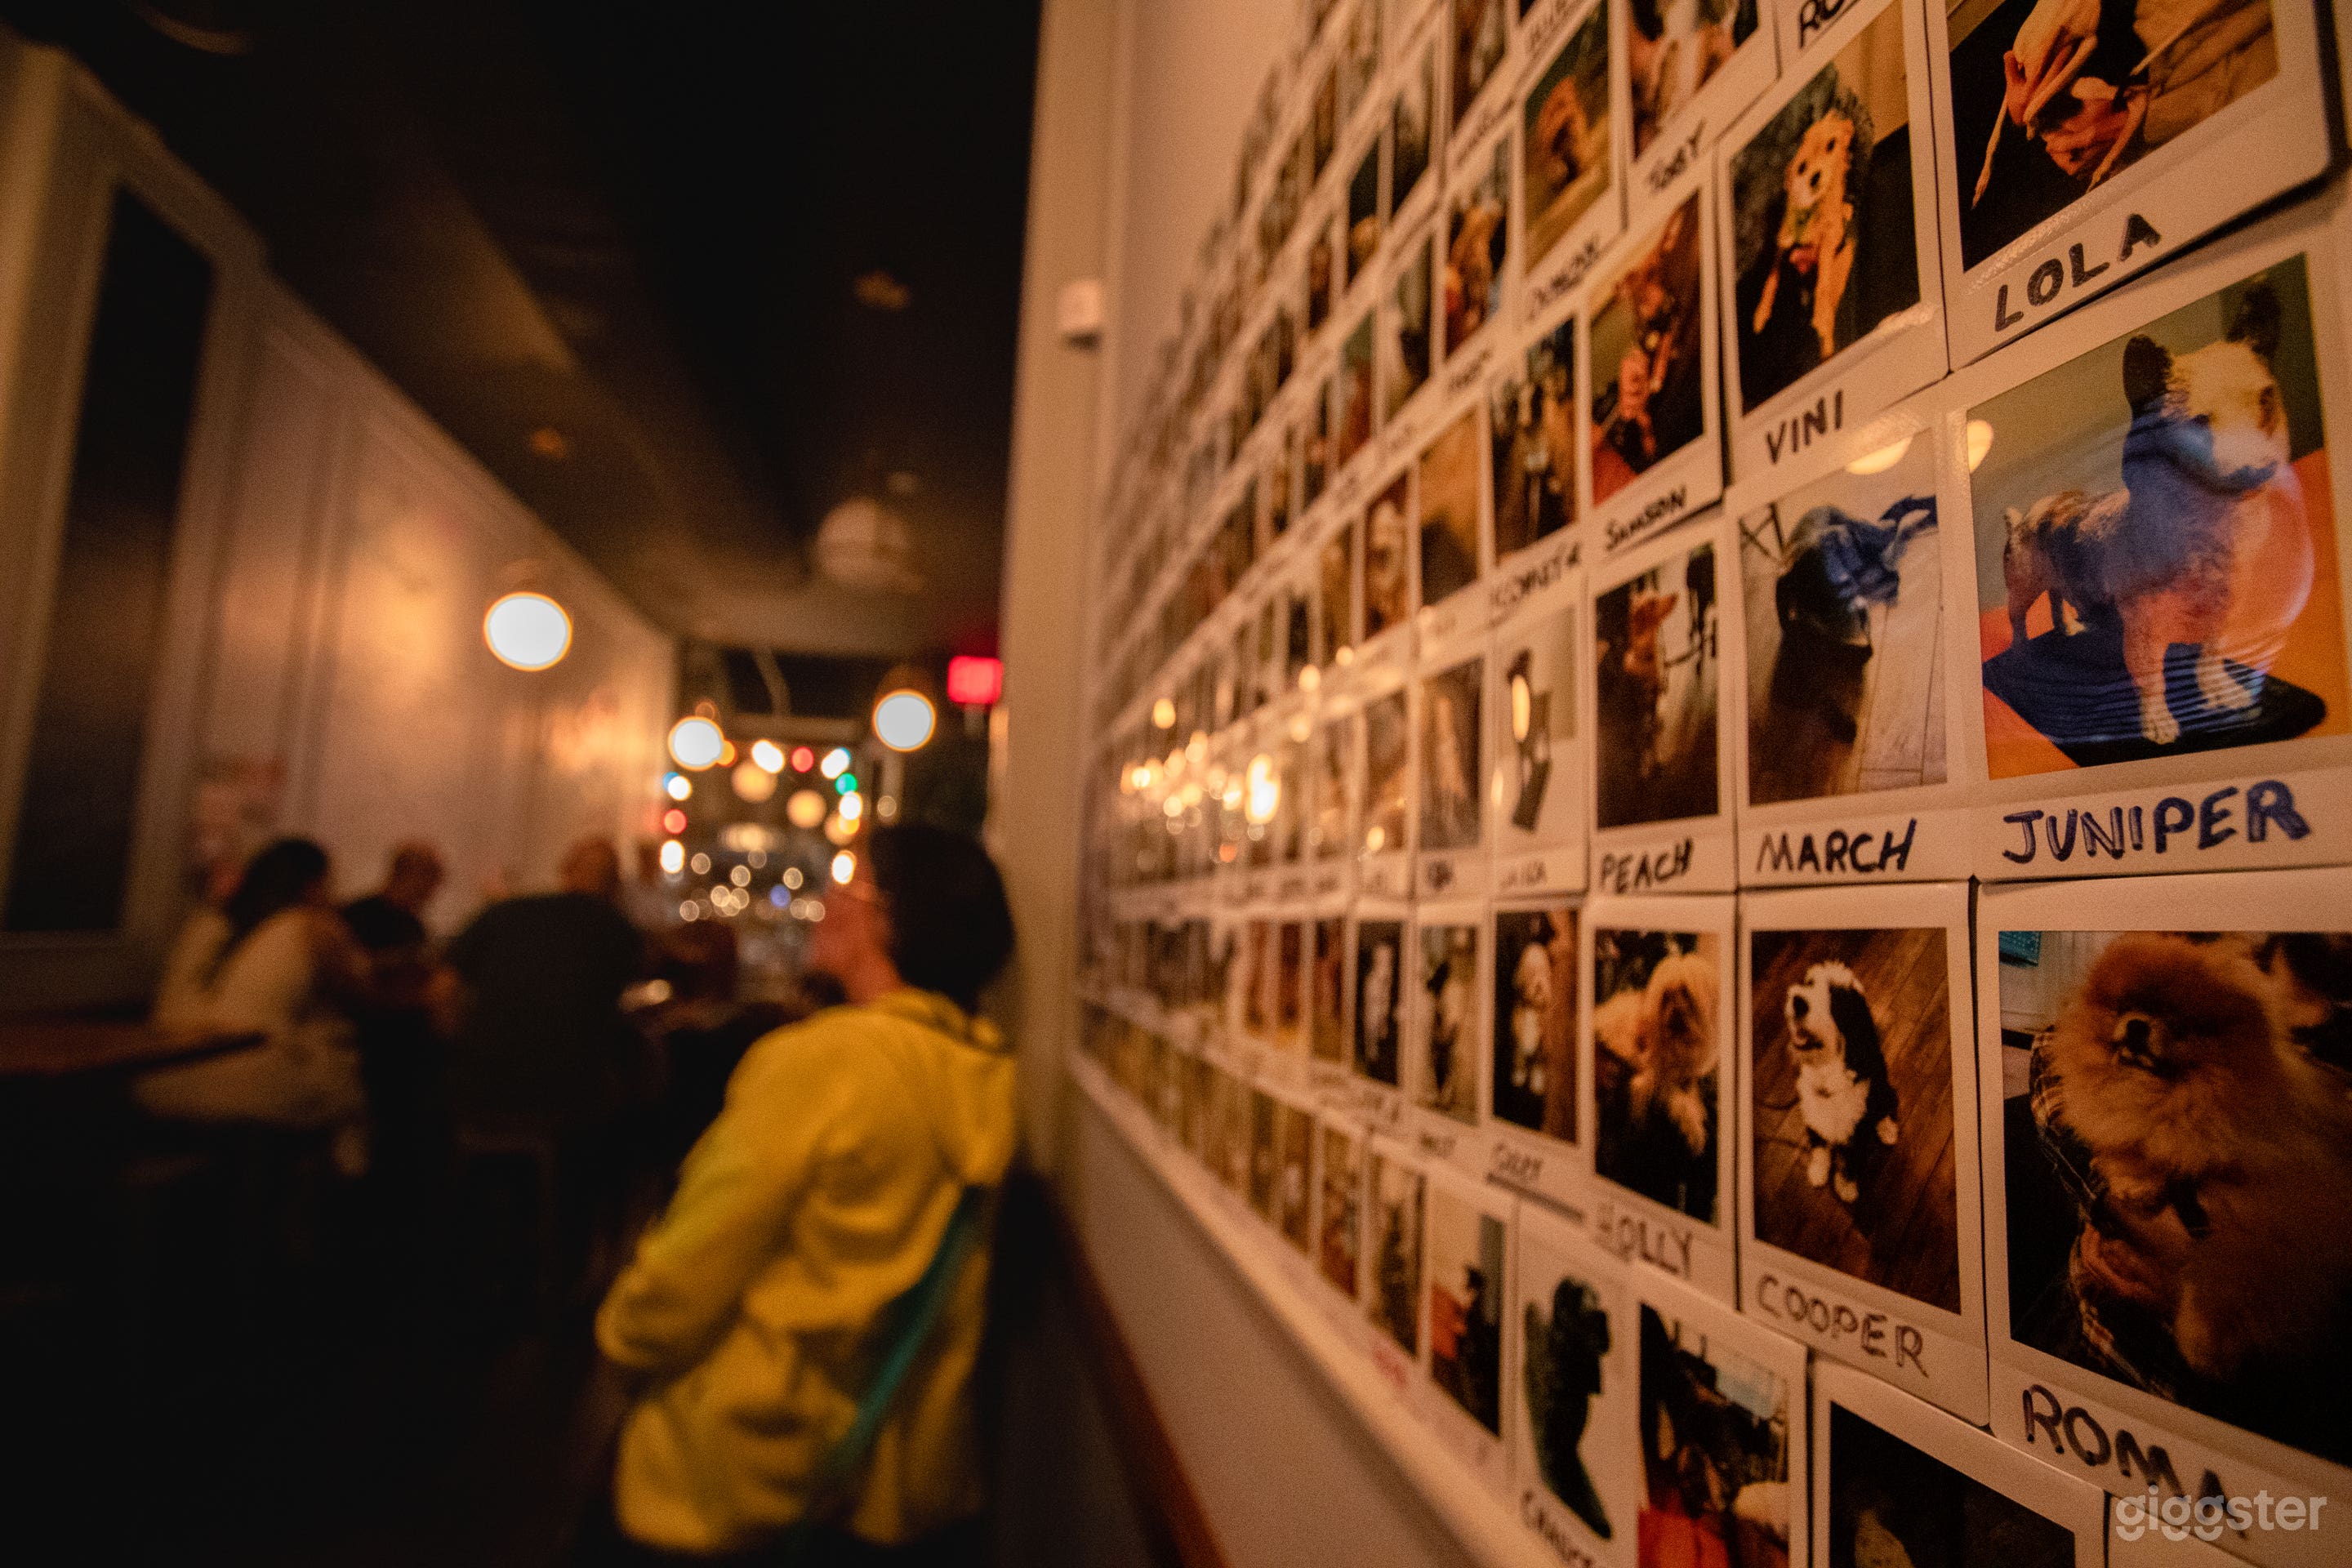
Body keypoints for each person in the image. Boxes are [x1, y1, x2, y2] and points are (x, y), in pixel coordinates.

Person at [591, 824, 1016, 1563]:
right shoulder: (986, 1075)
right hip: (905, 1481)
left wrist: (622, 1340)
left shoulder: (821, 1063)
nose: (826, 900)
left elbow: (689, 1265)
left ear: (889, 920)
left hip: (746, 1473)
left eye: (849, 884)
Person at [139, 837, 368, 1171]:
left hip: (157, 1083)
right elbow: (361, 993)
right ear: (313, 885)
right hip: (251, 1096)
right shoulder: (312, 925)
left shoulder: (205, 922)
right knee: (343, 1074)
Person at [441, 836, 644, 1134]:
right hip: (573, 1088)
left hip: (484, 1082)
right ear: (615, 887)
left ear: (564, 873)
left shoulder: (504, 912)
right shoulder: (619, 929)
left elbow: (442, 989)